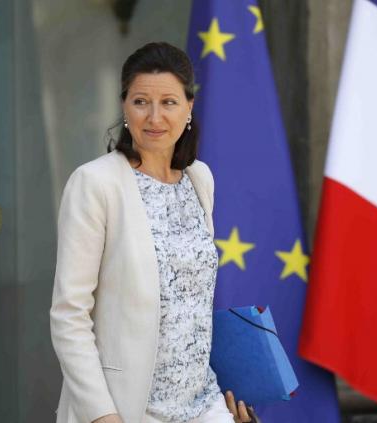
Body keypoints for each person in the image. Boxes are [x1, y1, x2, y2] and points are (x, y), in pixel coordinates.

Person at [50, 42, 259, 423]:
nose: (154, 117)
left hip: (205, 405)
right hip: (129, 408)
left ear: (189, 108)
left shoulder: (200, 178)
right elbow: (69, 314)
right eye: (141, 101)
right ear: (124, 106)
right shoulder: (95, 183)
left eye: (169, 102)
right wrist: (102, 415)